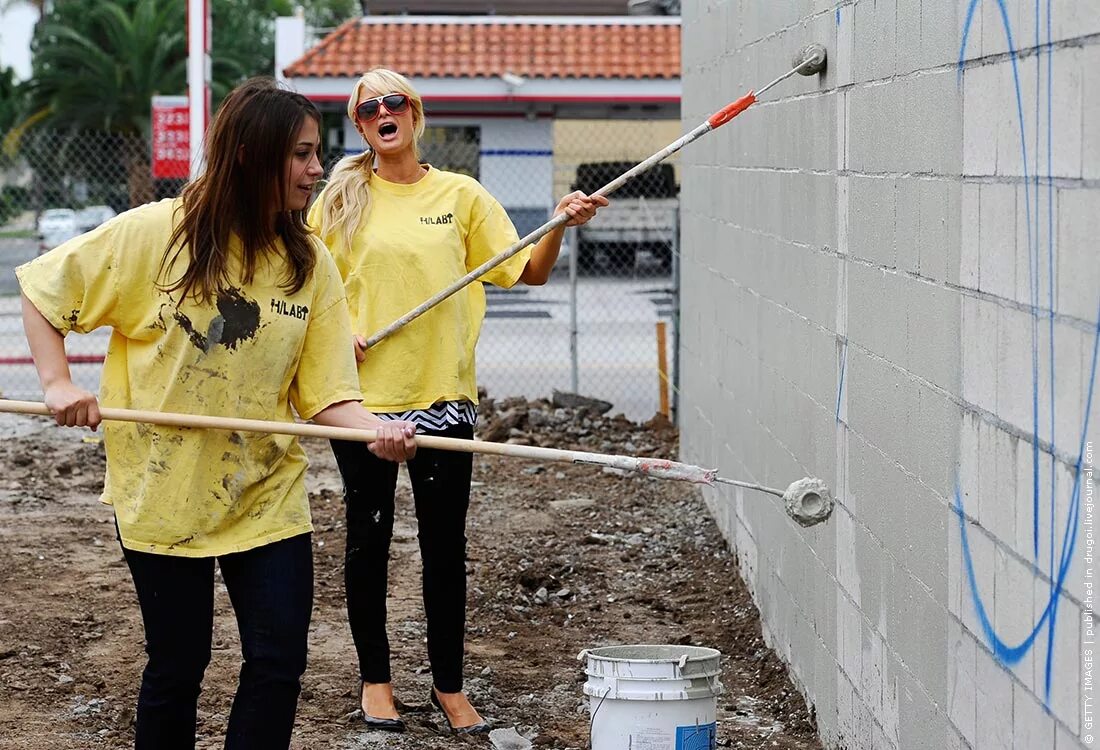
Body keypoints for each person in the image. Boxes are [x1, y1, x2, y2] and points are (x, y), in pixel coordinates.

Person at [16, 77, 417, 750]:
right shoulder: (156, 235)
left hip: (264, 492)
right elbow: (44, 291)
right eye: (300, 154)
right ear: (247, 156)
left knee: (279, 663)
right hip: (163, 488)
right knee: (179, 665)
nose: (317, 169)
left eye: (316, 153)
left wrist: (375, 430)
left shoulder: (307, 259)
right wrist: (57, 384)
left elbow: (327, 397)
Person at [309, 67, 607, 734]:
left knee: (445, 550)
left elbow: (527, 270)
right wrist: (334, 335)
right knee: (370, 542)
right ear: (359, 125)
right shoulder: (337, 201)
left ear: (414, 113)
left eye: (394, 101)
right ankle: (376, 683)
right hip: (362, 403)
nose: (383, 112)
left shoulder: (462, 196)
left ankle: (449, 686)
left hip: (443, 400)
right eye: (368, 108)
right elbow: (302, 289)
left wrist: (559, 222)